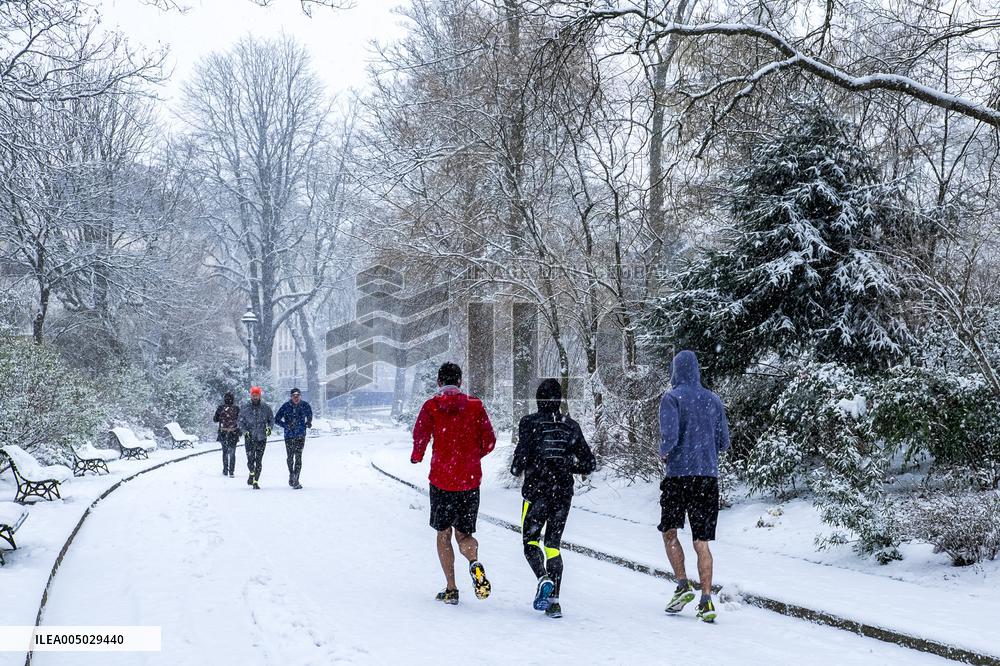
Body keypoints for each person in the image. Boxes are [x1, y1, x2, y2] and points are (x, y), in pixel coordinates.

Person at [410, 362, 496, 605]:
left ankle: (451, 588)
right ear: (460, 381)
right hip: (469, 482)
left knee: (443, 533)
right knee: (464, 534)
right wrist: (470, 457)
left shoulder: (432, 406)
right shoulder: (475, 406)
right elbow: (489, 440)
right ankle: (474, 562)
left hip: (441, 480)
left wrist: (417, 456)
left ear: (439, 382)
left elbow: (420, 435)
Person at [511, 378, 595, 619]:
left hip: (536, 491)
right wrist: (568, 465)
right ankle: (555, 602)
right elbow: (590, 463)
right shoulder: (572, 426)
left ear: (539, 399)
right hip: (563, 493)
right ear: (559, 400)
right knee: (553, 545)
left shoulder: (529, 423)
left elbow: (520, 460)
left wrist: (520, 468)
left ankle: (543, 578)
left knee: (530, 541)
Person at [658, 350, 730, 623]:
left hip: (678, 476)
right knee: (702, 542)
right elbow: (723, 441)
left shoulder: (672, 398)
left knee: (670, 532)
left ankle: (682, 585)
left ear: (676, 370)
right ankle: (707, 600)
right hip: (707, 478)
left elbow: (670, 437)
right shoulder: (714, 400)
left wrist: (664, 451)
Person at [274, 387, 313, 490]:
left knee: (299, 457)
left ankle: (296, 479)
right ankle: (291, 473)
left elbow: (310, 415)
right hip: (289, 435)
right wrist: (286, 425)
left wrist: (308, 422)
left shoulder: (305, 405)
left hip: (300, 434)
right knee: (290, 456)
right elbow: (276, 419)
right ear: (291, 397)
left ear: (300, 396)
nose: (296, 398)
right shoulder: (286, 406)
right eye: (294, 396)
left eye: (297, 396)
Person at [238, 386, 274, 490]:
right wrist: (245, 432)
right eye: (253, 395)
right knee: (250, 460)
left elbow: (271, 419)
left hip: (261, 437)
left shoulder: (266, 408)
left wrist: (269, 428)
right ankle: (251, 473)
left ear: (260, 396)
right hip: (249, 437)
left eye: (257, 395)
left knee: (259, 460)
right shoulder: (245, 407)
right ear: (251, 396)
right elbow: (240, 421)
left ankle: (255, 481)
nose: (255, 397)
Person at [213, 392, 240, 477]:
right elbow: (240, 420)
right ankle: (231, 471)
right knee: (232, 452)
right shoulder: (236, 408)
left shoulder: (221, 408)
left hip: (223, 432)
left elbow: (215, 419)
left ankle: (225, 470)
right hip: (233, 432)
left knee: (225, 452)